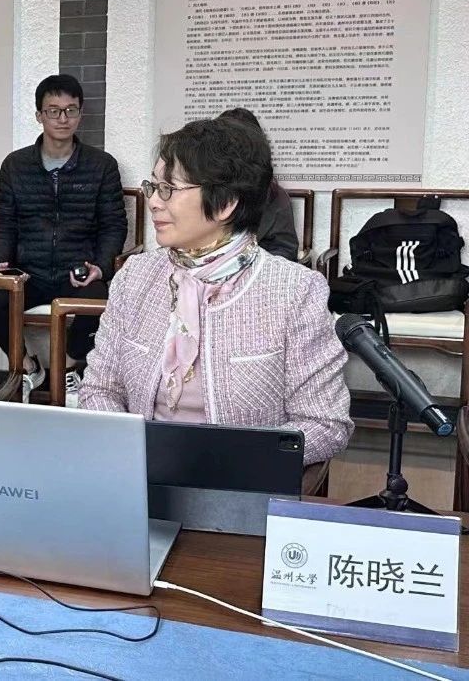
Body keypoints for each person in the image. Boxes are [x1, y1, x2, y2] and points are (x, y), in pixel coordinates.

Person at [78, 117, 352, 464]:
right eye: (153, 186)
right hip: (138, 474)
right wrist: (130, 454)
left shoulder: (294, 291)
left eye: (169, 189)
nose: (154, 202)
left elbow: (324, 423)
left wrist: (230, 463)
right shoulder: (135, 277)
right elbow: (100, 388)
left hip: (242, 480)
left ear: (225, 204)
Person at [0, 74, 126, 395]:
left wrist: (100, 267)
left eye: (70, 110)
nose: (63, 119)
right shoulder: (15, 165)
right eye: (53, 111)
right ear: (39, 115)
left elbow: (113, 224)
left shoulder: (101, 165)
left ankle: (69, 366)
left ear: (80, 114)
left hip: (76, 272)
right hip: (28, 272)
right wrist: (1, 264)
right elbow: (3, 221)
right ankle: (27, 367)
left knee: (100, 300)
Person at [217, 107, 299, 262]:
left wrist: (250, 266)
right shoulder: (203, 189)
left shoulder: (274, 195)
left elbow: (285, 250)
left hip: (259, 267)